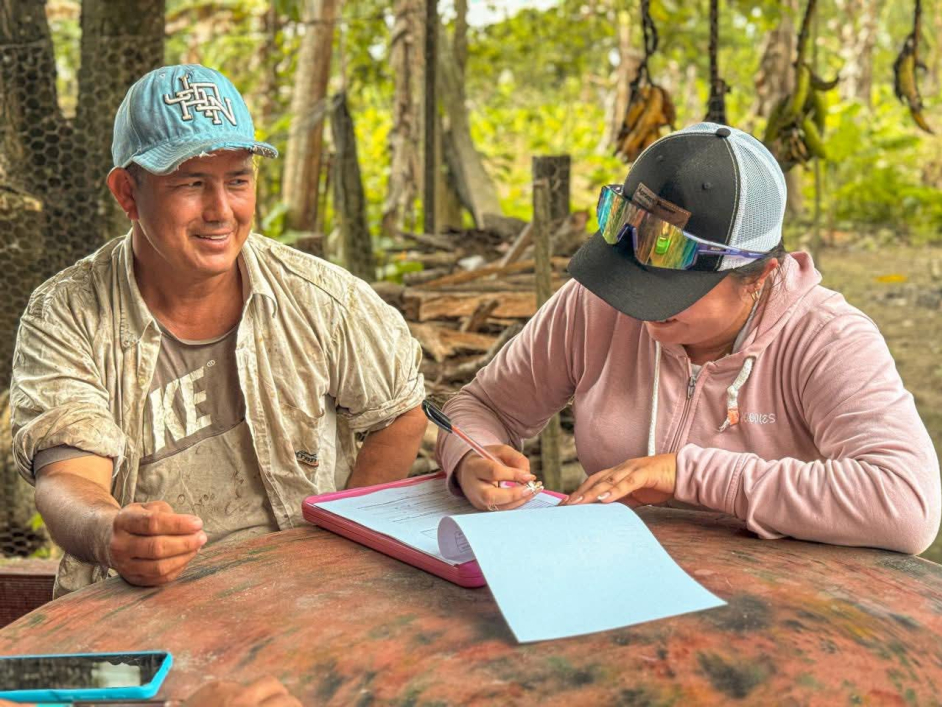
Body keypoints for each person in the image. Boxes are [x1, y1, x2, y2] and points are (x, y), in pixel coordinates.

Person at [10, 65, 427, 597]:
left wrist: (341, 550)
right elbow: (68, 477)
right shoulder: (66, 313)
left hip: (304, 592)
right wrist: (109, 534)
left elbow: (400, 414)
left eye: (238, 180)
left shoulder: (323, 298)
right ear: (127, 193)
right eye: (191, 183)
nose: (221, 210)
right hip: (135, 601)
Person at [436, 122, 941, 554]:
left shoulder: (826, 340)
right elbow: (484, 406)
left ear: (759, 276)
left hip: (782, 604)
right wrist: (473, 456)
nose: (635, 303)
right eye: (629, 275)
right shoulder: (598, 303)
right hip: (614, 575)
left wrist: (689, 475)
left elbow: (905, 503)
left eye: (670, 290)